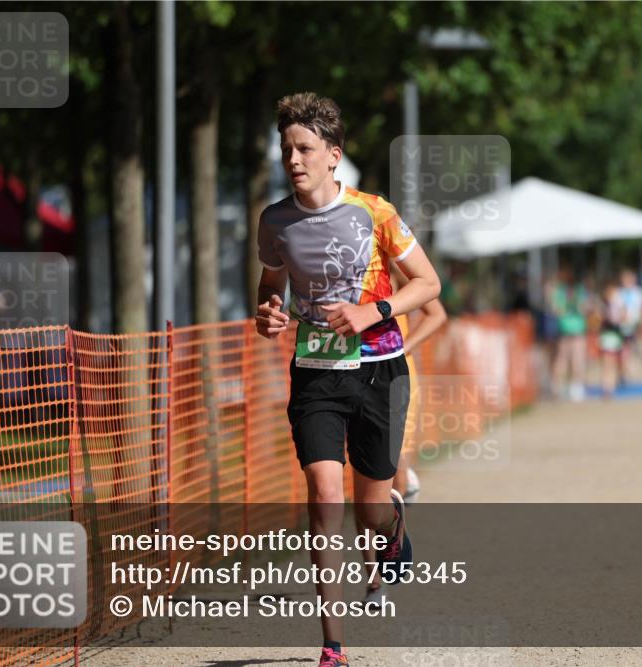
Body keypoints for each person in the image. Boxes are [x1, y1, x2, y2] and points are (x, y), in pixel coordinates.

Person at [255, 92, 441, 667]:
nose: (294, 159)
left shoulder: (375, 212)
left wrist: (374, 312)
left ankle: (391, 523)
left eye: (305, 148)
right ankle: (333, 643)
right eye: (287, 149)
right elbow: (270, 288)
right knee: (323, 496)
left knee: (370, 514)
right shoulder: (275, 220)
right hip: (314, 373)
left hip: (379, 370)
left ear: (333, 155)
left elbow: (428, 286)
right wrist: (267, 312)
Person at [359, 262, 446, 609]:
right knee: (362, 488)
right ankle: (374, 582)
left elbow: (436, 314)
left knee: (390, 481)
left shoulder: (396, 268)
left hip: (395, 379)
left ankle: (403, 498)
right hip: (351, 378)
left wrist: (405, 347)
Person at [548, 265, 589, 401]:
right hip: (571, 329)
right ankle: (569, 387)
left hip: (569, 329)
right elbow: (585, 308)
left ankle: (562, 387)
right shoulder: (571, 291)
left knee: (566, 359)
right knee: (570, 359)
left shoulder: (565, 292)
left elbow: (555, 309)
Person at [618, 269, 642, 383]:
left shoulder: (638, 293)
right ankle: (622, 372)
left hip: (634, 324)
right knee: (622, 348)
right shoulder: (619, 293)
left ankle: (627, 367)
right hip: (621, 326)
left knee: (631, 346)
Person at [598, 280, 625, 398]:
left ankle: (611, 387)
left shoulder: (619, 304)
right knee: (606, 363)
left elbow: (624, 317)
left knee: (613, 363)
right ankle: (606, 387)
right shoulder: (603, 305)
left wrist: (619, 315)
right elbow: (598, 320)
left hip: (615, 336)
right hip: (606, 336)